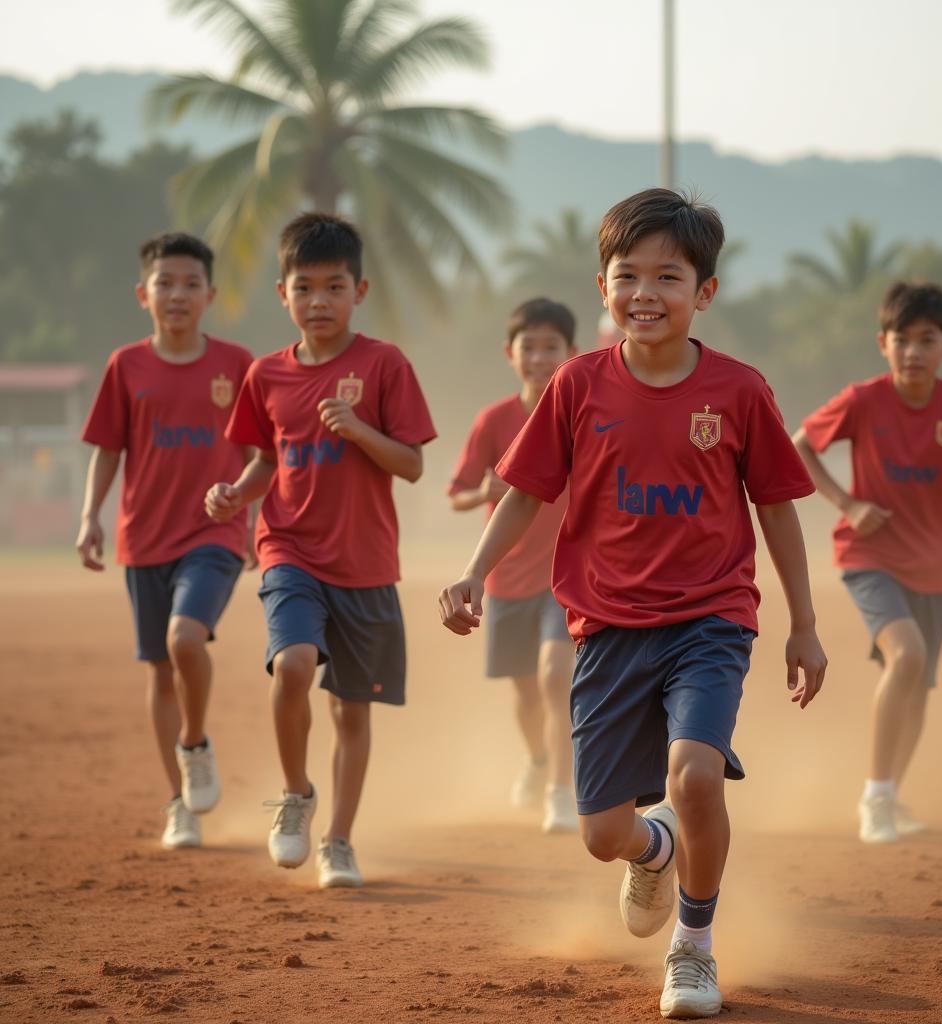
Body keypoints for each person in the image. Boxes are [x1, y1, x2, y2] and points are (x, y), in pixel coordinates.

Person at [439, 188, 827, 1019]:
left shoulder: (739, 390)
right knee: (602, 834)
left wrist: (804, 623)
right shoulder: (577, 385)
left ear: (705, 293)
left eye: (669, 276)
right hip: (608, 625)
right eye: (628, 275)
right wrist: (474, 571)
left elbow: (778, 507)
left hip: (712, 618)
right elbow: (522, 491)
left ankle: (694, 947)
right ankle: (654, 853)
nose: (645, 292)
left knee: (694, 774)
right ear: (602, 286)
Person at [205, 212, 436, 889]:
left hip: (365, 565)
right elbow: (262, 464)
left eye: (334, 288)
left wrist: (360, 430)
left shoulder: (384, 364)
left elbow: (414, 465)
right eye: (304, 289)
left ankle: (339, 840)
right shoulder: (265, 376)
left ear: (359, 291)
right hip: (289, 550)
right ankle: (296, 796)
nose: (319, 303)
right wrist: (234, 496)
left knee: (351, 712)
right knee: (294, 665)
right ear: (283, 294)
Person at [793, 281, 942, 844]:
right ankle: (874, 799)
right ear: (882, 343)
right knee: (908, 655)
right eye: (903, 339)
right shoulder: (864, 399)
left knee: (917, 688)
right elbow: (800, 444)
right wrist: (848, 503)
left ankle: (890, 793)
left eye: (927, 339)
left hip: (932, 570)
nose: (914, 350)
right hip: (868, 556)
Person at [76, 232, 253, 850]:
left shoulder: (237, 364)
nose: (177, 295)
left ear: (210, 294)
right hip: (143, 537)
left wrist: (255, 514)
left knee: (184, 638)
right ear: (142, 294)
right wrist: (89, 516)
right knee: (159, 671)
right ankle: (179, 803)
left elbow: (265, 450)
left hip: (216, 531)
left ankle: (194, 744)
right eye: (164, 284)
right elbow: (108, 448)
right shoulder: (126, 366)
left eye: (189, 284)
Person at [448, 297, 578, 833]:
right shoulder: (493, 421)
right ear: (510, 353)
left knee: (555, 676)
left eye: (552, 347)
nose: (541, 357)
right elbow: (455, 493)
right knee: (525, 691)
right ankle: (539, 760)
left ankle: (561, 792)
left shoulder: (581, 415)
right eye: (530, 347)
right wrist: (482, 489)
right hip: (505, 579)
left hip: (566, 577)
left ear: (572, 353)